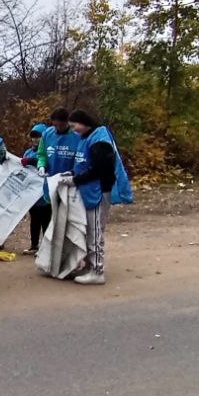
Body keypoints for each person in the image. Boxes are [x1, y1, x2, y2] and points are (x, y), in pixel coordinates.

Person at [68, 109, 117, 285]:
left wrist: (75, 180)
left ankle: (97, 271)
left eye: (75, 126)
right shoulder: (87, 138)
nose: (74, 130)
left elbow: (99, 169)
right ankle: (90, 266)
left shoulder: (99, 141)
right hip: (89, 189)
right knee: (90, 230)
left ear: (84, 122)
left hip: (98, 191)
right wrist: (72, 173)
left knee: (95, 232)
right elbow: (84, 164)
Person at [21, 123, 52, 255]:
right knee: (34, 220)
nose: (35, 139)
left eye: (38, 136)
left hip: (45, 193)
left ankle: (46, 247)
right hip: (32, 193)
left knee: (46, 220)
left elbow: (46, 162)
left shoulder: (48, 150)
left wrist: (31, 161)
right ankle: (34, 245)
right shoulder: (28, 152)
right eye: (33, 136)